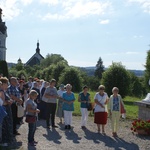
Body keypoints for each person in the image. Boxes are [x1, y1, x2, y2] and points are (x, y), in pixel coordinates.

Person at [0, 77, 13, 147]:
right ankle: (4, 141)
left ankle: (8, 140)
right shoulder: (1, 91)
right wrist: (8, 102)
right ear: (3, 84)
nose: (7, 85)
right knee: (4, 126)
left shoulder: (4, 91)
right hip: (4, 111)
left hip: (7, 110)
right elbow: (1, 102)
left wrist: (10, 101)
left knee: (8, 125)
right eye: (6, 83)